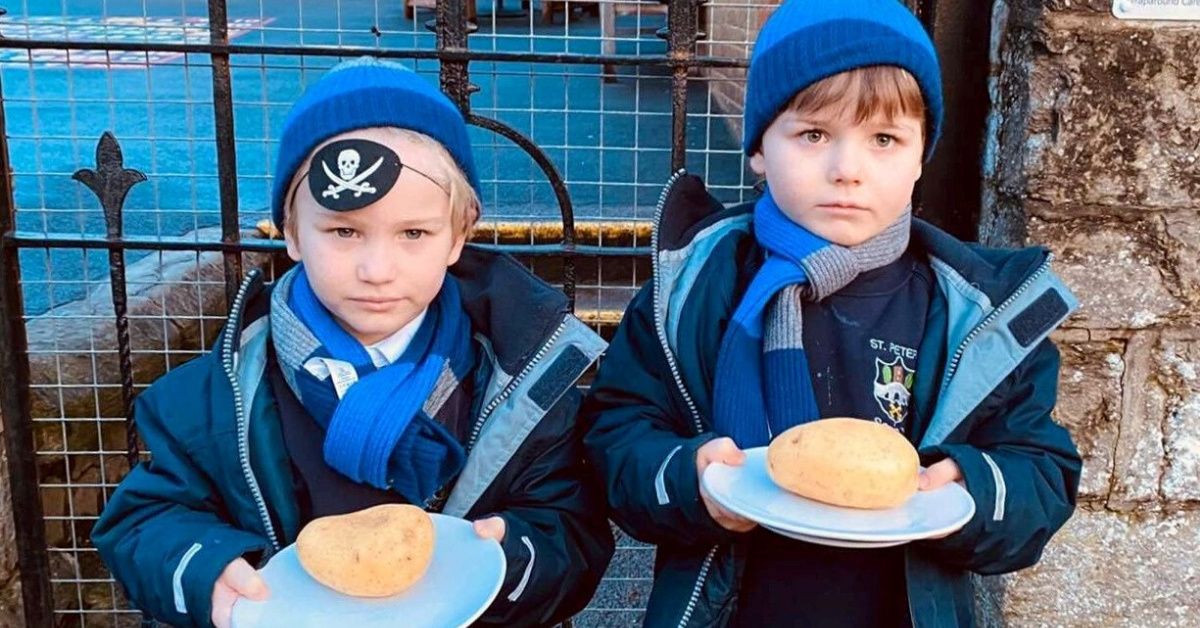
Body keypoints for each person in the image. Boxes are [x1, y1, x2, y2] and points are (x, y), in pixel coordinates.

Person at [581, 1, 1082, 625]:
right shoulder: (690, 288)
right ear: (759, 145)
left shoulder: (978, 315)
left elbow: (1043, 470)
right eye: (814, 134)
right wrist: (690, 479)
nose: (848, 170)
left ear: (922, 153)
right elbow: (616, 432)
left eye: (884, 139)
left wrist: (971, 488)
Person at [93, 57, 613, 628]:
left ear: (458, 236)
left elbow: (572, 531)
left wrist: (511, 562)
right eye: (344, 231)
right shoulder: (213, 399)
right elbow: (144, 521)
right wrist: (206, 570)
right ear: (291, 233)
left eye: (413, 233)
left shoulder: (525, 381)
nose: (377, 269)